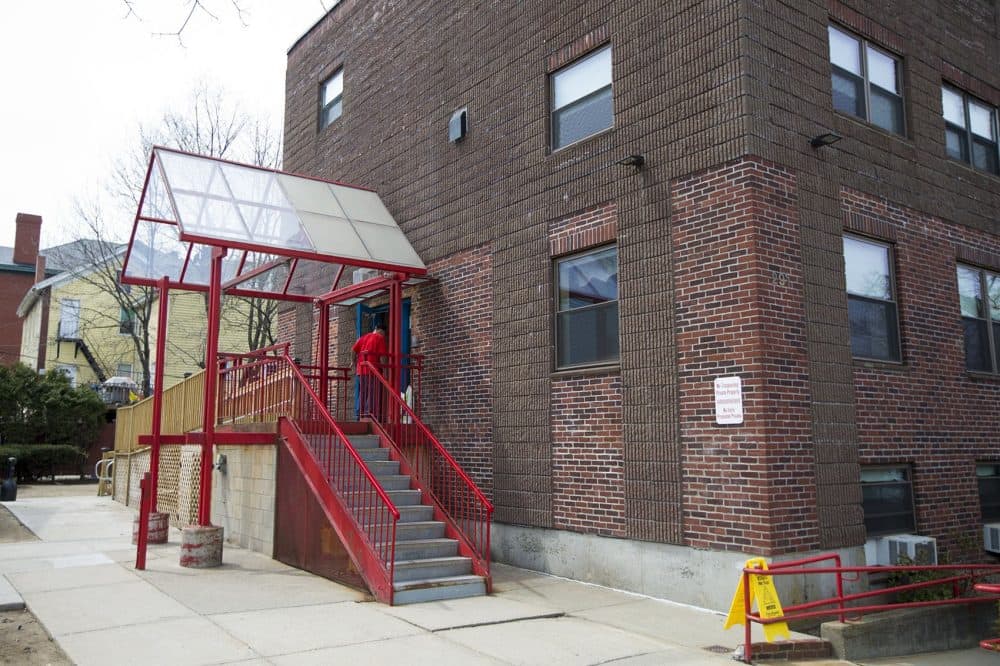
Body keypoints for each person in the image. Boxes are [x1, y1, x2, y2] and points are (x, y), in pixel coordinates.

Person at [352, 321, 388, 418]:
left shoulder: (364, 337)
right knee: (372, 393)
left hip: (361, 371)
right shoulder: (379, 338)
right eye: (384, 334)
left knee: (362, 393)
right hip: (372, 371)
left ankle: (359, 414)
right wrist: (385, 370)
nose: (384, 336)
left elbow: (353, 350)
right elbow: (382, 357)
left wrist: (353, 362)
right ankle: (368, 415)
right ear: (381, 331)